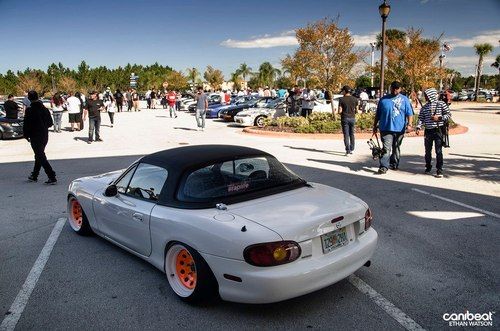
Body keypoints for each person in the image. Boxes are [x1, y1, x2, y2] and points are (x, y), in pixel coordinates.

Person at [372, 81, 414, 174]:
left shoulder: (405, 99)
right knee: (386, 148)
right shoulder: (383, 100)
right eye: (393, 88)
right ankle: (383, 166)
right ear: (390, 88)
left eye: (397, 88)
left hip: (399, 129)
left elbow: (409, 114)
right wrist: (375, 126)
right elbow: (378, 115)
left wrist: (410, 124)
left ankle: (394, 163)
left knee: (396, 147)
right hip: (385, 128)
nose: (395, 90)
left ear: (400, 89)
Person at [416, 88, 451, 178]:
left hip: (438, 130)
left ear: (431, 95)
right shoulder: (425, 107)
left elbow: (448, 115)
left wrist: (439, 118)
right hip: (428, 131)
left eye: (427, 95)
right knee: (427, 151)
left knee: (438, 151)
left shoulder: (441, 104)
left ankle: (439, 169)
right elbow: (421, 118)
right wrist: (418, 127)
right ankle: (428, 166)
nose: (426, 97)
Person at [23, 90, 57, 184]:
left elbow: (26, 124)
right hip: (44, 134)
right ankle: (34, 175)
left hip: (35, 135)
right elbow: (50, 123)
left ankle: (51, 175)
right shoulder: (44, 109)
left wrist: (26, 134)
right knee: (39, 154)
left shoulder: (30, 110)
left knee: (40, 155)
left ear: (29, 99)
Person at [337, 86, 359, 155]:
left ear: (344, 91)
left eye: (343, 91)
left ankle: (348, 150)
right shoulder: (355, 99)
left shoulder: (341, 99)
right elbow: (357, 110)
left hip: (344, 118)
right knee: (352, 134)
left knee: (346, 134)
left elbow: (340, 111)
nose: (342, 92)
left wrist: (337, 112)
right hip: (352, 118)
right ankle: (352, 148)